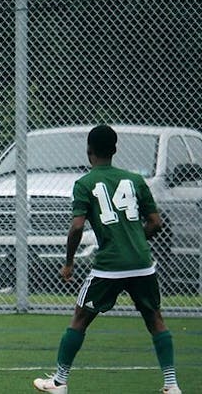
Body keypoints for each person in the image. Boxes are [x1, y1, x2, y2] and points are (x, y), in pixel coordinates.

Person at [33, 125, 181, 394]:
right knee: (155, 318)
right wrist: (135, 239)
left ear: (89, 152)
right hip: (142, 264)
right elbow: (156, 222)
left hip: (109, 268)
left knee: (80, 317)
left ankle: (59, 382)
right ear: (115, 150)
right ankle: (171, 385)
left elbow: (77, 227)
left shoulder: (85, 184)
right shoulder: (135, 181)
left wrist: (68, 263)